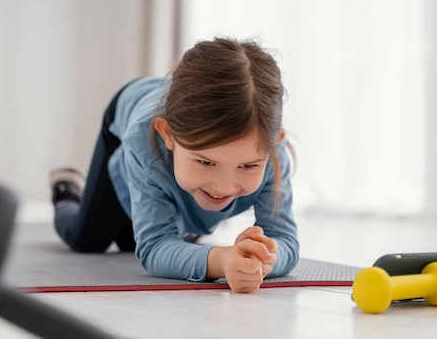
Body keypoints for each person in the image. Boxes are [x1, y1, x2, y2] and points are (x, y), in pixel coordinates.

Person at [50, 37, 299, 293]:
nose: (224, 186)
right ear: (167, 134)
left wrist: (264, 259)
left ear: (274, 143)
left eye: (247, 166)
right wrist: (222, 260)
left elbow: (286, 241)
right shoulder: (142, 141)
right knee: (89, 240)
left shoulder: (270, 148)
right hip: (129, 113)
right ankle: (67, 190)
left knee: (129, 240)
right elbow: (154, 247)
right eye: (205, 161)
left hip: (178, 133)